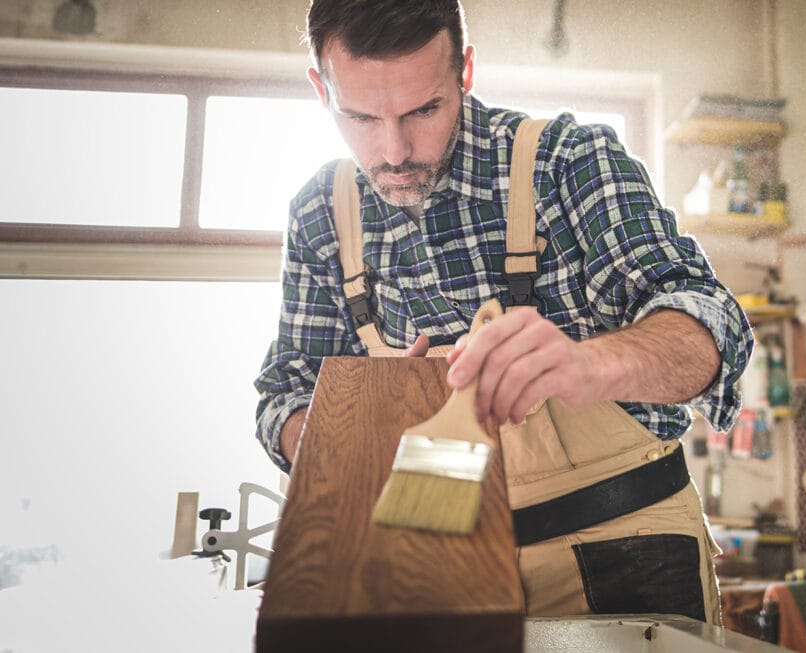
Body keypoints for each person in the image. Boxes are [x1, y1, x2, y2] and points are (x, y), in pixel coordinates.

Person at [255, 0, 753, 622]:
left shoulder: (569, 161)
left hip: (624, 549)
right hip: (434, 567)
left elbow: (711, 323)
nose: (394, 150)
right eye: (358, 116)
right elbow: (284, 396)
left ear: (464, 70)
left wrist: (591, 365)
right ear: (319, 88)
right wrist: (359, 434)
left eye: (424, 110)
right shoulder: (319, 215)